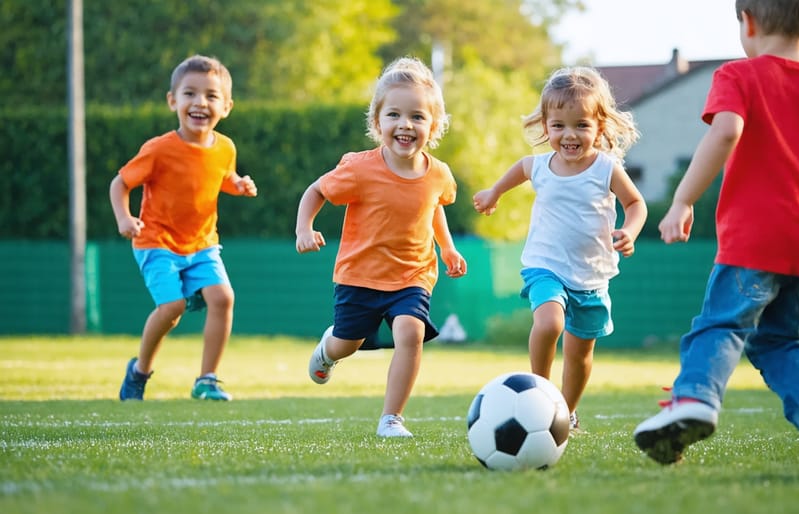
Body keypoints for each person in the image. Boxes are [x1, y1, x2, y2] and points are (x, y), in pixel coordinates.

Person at [633, 0, 799, 477]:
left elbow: (727, 132)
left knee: (720, 326)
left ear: (748, 23)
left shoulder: (739, 76)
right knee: (778, 338)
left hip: (756, 239)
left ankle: (693, 401)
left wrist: (682, 201)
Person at [295, 57, 467, 438]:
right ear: (378, 123)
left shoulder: (439, 174)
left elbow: (432, 208)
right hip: (360, 276)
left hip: (413, 276)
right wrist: (303, 228)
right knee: (348, 343)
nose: (406, 124)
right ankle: (327, 350)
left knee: (411, 332)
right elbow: (317, 191)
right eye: (394, 115)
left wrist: (448, 249)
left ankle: (391, 418)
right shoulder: (359, 169)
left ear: (433, 126)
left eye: (418, 117)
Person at [472, 66, 647, 432]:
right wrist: (493, 192)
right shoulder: (540, 166)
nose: (569, 135)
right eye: (559, 126)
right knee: (550, 321)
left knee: (580, 353)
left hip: (592, 275)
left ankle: (565, 411)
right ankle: (538, 392)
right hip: (544, 264)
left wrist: (630, 230)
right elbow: (519, 169)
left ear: (600, 127)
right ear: (546, 125)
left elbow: (636, 204)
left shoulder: (606, 168)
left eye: (581, 125)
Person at [110, 55, 257, 402]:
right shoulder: (159, 149)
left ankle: (207, 379)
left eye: (211, 95)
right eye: (190, 93)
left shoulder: (225, 147)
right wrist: (124, 218)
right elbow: (120, 183)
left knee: (223, 298)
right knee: (172, 309)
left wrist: (239, 185)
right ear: (173, 100)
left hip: (202, 244)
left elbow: (222, 177)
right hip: (156, 241)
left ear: (227, 106)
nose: (200, 102)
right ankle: (139, 371)